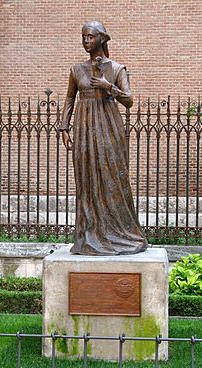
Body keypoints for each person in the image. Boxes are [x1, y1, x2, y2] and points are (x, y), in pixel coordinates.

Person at [60, 21, 147, 255]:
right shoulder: (77, 70)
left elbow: (128, 101)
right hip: (84, 129)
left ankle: (120, 232)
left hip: (109, 127)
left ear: (102, 39)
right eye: (83, 37)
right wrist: (64, 128)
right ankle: (89, 235)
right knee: (86, 178)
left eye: (90, 37)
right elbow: (69, 99)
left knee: (113, 178)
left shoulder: (117, 69)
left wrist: (110, 87)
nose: (86, 41)